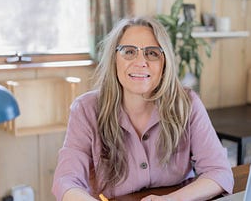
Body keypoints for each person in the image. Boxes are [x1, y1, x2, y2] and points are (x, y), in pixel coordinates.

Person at [52, 16, 234, 201]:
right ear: (114, 59)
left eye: (152, 53)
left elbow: (219, 172)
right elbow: (66, 181)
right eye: (129, 52)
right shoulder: (86, 109)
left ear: (165, 63)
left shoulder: (187, 103)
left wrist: (170, 200)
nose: (140, 62)